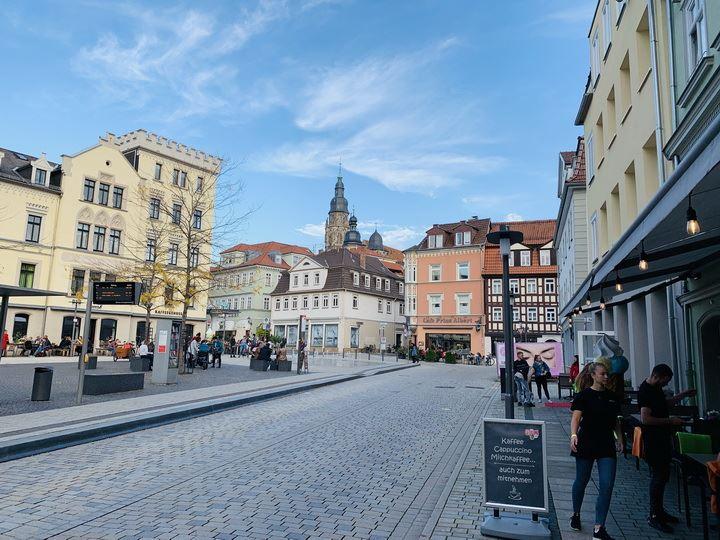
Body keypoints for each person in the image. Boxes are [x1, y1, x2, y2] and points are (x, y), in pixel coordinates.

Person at [639, 363, 696, 532]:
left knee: (663, 476)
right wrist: (671, 421)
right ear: (658, 377)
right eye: (666, 380)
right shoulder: (646, 391)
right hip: (653, 441)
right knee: (658, 476)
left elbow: (665, 404)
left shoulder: (656, 389)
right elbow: (645, 419)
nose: (666, 384)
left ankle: (659, 511)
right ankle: (654, 515)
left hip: (662, 439)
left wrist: (683, 395)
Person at [569, 362, 622, 540]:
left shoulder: (612, 397)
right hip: (586, 442)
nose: (606, 377)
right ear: (593, 375)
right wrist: (573, 435)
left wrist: (620, 439)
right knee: (581, 480)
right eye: (602, 374)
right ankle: (575, 514)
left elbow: (615, 421)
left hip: (606, 444)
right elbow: (576, 418)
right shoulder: (584, 396)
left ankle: (599, 528)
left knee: (607, 484)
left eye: (607, 374)